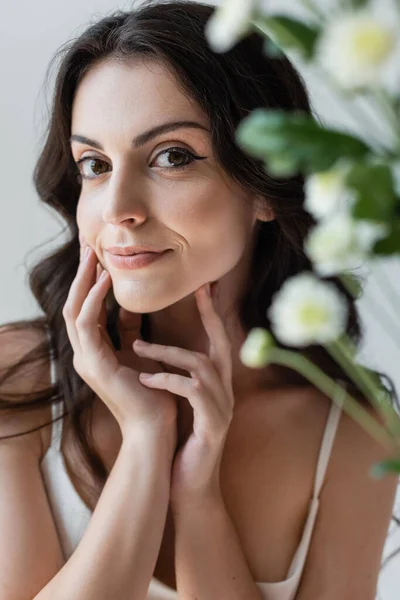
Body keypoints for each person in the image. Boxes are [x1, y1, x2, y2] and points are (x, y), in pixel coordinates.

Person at [0, 1, 398, 599]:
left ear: (264, 186)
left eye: (172, 156)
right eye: (95, 164)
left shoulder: (355, 432)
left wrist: (197, 495)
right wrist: (145, 439)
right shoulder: (19, 377)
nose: (117, 209)